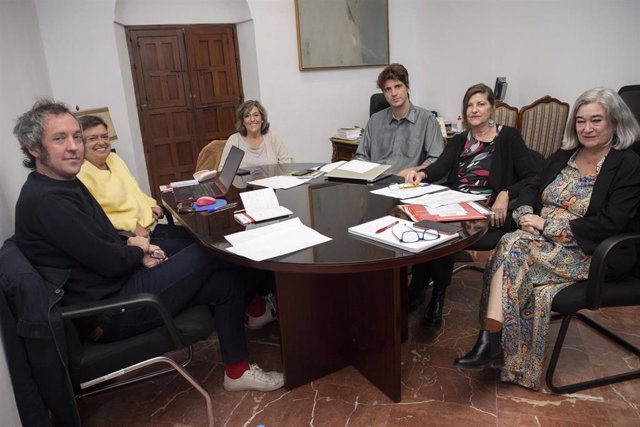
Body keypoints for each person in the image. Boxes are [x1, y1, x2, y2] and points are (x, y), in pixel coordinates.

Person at [12, 99, 284, 392]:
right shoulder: (47, 201)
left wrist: (137, 250)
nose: (73, 146)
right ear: (34, 148)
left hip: (121, 286)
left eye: (76, 137)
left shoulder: (63, 183)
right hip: (112, 311)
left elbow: (101, 239)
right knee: (210, 249)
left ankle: (237, 372)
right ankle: (275, 285)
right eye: (59, 138)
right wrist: (137, 251)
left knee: (224, 281)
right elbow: (110, 261)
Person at [453, 87, 640, 390]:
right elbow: (532, 183)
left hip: (589, 251)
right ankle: (497, 348)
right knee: (514, 246)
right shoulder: (566, 154)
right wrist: (526, 213)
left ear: (615, 123)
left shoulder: (628, 164)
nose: (587, 128)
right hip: (539, 241)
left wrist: (546, 225)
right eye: (580, 121)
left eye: (596, 121)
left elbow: (612, 222)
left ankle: (491, 342)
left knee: (511, 246)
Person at [404, 83, 538, 325]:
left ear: (492, 107)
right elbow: (440, 167)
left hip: (488, 210)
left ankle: (436, 294)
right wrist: (421, 175)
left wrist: (506, 192)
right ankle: (421, 284)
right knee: (421, 222)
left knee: (445, 232)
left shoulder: (508, 137)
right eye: (469, 105)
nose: (474, 110)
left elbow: (532, 176)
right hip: (456, 202)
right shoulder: (459, 140)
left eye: (481, 104)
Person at [76, 115, 191, 255]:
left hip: (151, 226)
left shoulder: (114, 159)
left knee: (198, 236)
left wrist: (150, 204)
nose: (101, 142)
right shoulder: (80, 174)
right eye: (92, 138)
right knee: (198, 250)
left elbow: (133, 189)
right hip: (133, 238)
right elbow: (95, 217)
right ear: (80, 143)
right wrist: (131, 224)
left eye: (104, 136)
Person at [355, 63, 444, 177]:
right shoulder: (375, 120)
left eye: (398, 86)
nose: (394, 94)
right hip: (377, 183)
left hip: (408, 184)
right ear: (384, 93)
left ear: (407, 87)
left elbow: (436, 160)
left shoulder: (427, 119)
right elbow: (360, 157)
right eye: (388, 89)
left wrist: (414, 171)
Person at [218, 100, 292, 169]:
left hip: (271, 182)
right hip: (243, 183)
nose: (252, 119)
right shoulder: (234, 140)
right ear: (243, 121)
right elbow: (224, 171)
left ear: (262, 119)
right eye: (247, 116)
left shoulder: (273, 137)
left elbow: (286, 164)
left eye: (256, 115)